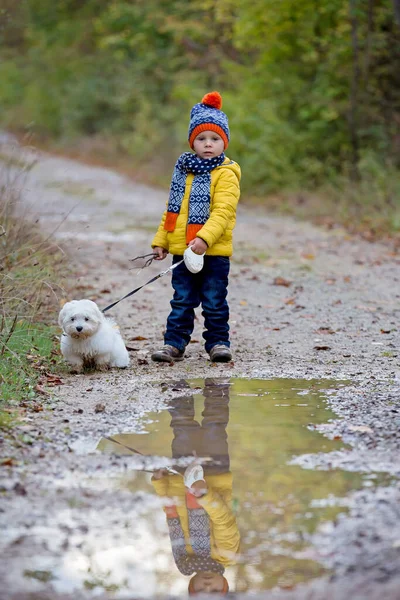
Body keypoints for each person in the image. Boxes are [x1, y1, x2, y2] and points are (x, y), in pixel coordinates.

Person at [151, 91, 241, 364]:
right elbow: (172, 210)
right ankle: (174, 344)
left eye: (214, 139)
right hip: (184, 251)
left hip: (213, 252)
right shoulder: (184, 170)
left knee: (214, 301)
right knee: (182, 300)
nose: (208, 144)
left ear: (223, 142)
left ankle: (218, 343)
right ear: (193, 142)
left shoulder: (226, 173)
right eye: (201, 139)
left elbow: (223, 212)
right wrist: (161, 241)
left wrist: (204, 238)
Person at [151, 379, 239, 595]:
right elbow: (224, 521)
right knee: (214, 429)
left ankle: (178, 390)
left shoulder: (183, 556)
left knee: (182, 430)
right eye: (215, 591)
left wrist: (160, 482)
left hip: (180, 477)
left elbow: (170, 513)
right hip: (215, 474)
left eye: (201, 590)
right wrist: (204, 494)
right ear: (224, 585)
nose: (207, 585)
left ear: (192, 586)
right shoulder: (227, 555)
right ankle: (217, 388)